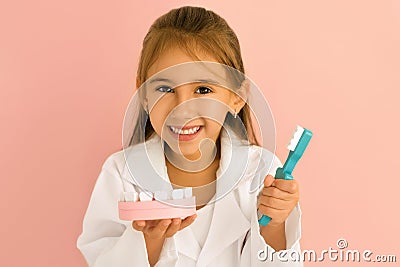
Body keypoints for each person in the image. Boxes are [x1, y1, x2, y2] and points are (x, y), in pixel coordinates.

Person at [77, 6, 303, 267]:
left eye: (203, 89)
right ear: (143, 94)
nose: (181, 108)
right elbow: (100, 258)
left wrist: (275, 225)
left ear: (237, 97)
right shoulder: (120, 172)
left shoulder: (261, 172)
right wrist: (149, 243)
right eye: (165, 88)